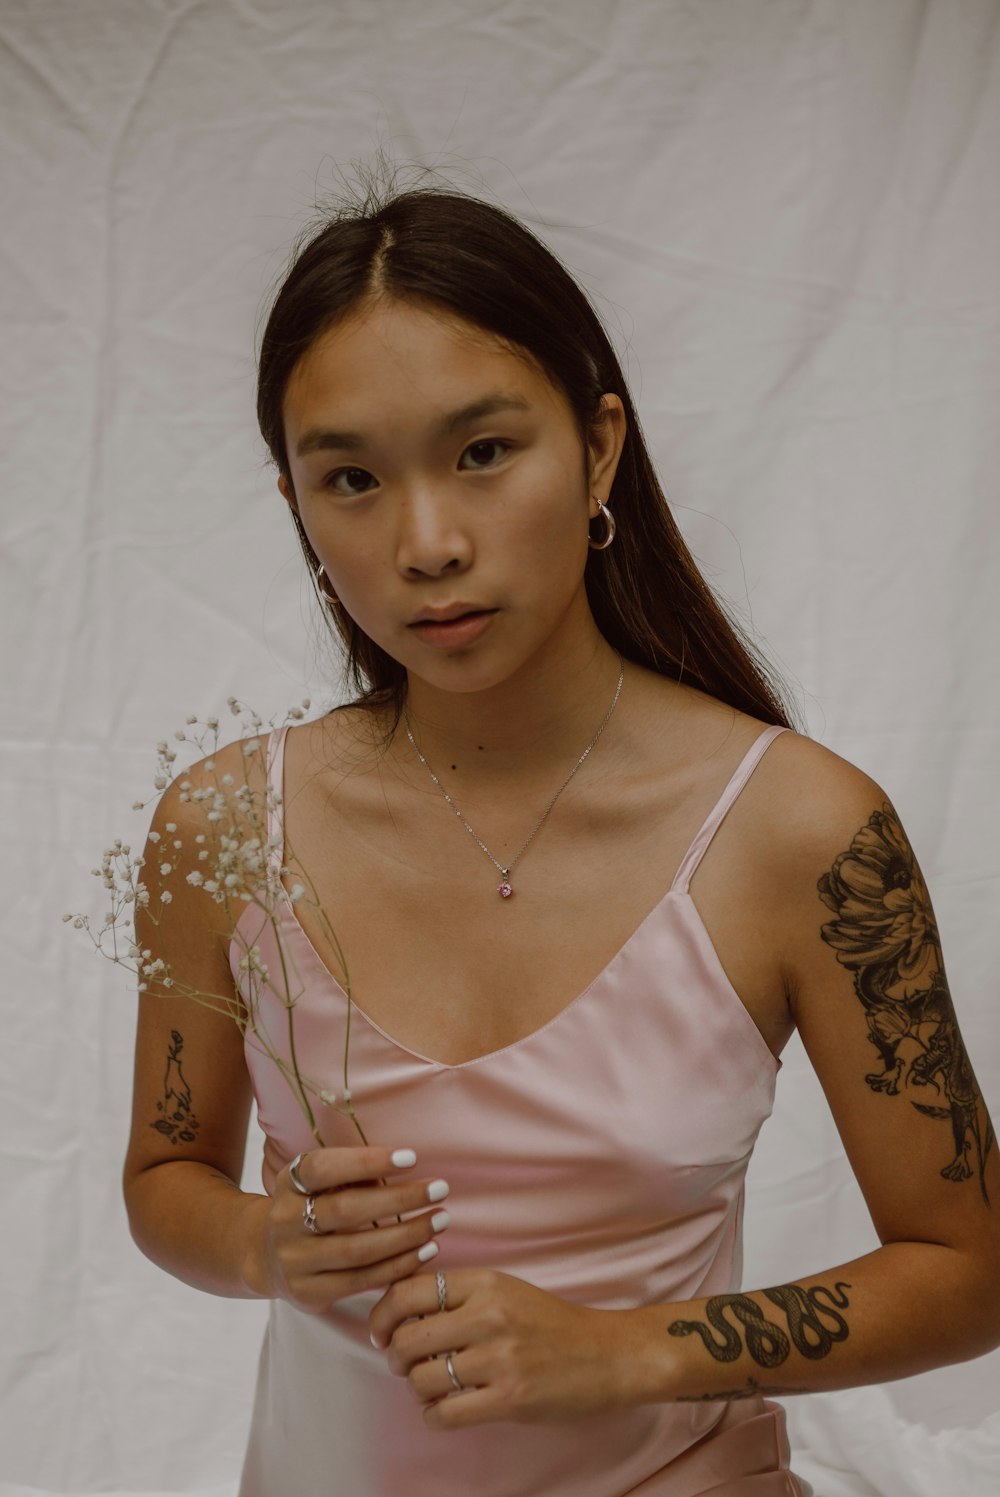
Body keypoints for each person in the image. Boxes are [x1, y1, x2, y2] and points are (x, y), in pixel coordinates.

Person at [123, 184, 1000, 1497]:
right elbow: (163, 1173)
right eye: (351, 478)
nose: (428, 543)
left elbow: (972, 1269)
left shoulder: (801, 832)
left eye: (482, 452)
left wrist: (631, 1350)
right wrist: (262, 1245)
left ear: (598, 453)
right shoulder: (226, 827)